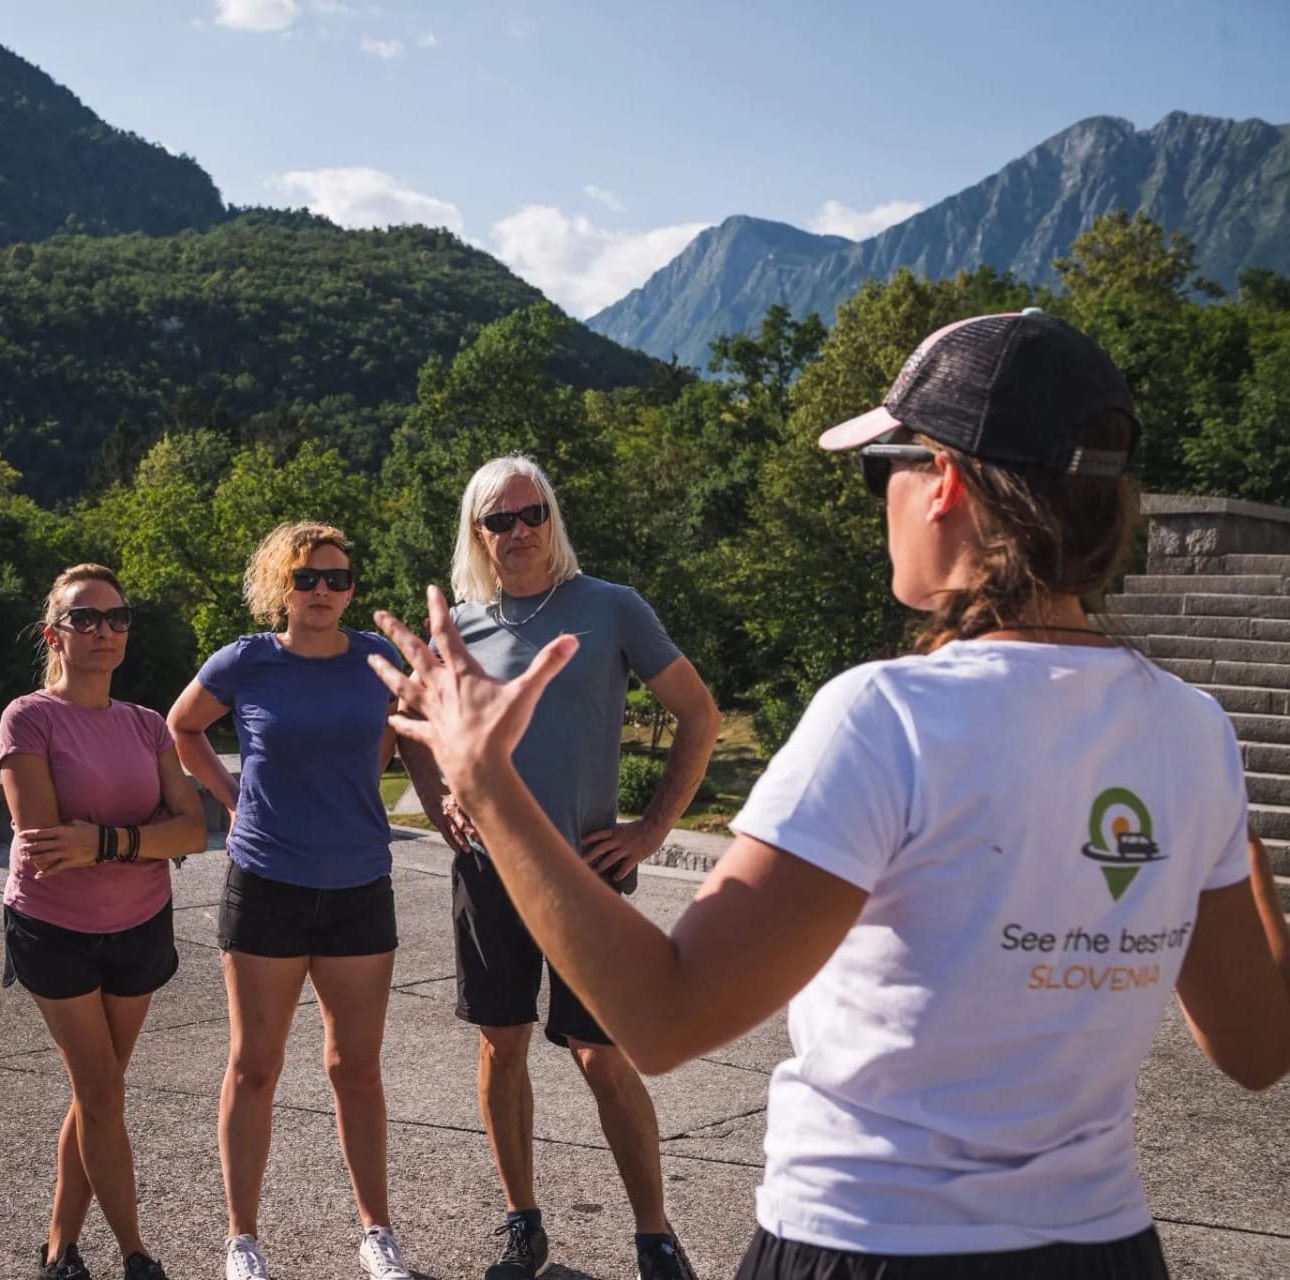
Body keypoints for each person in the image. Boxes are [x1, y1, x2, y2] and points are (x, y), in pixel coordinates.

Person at [370, 311, 1290, 1280]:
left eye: (880, 465)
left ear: (945, 481)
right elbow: (1257, 1046)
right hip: (1105, 1249)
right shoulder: (1192, 728)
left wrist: (485, 778)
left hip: (870, 1240)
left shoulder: (886, 712)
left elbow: (666, 1016)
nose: (876, 498)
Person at [394, 455, 719, 1280]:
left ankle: (655, 1237)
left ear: (552, 517)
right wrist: (443, 808)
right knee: (501, 1045)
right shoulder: (459, 627)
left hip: (583, 874)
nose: (519, 531)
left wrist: (651, 829)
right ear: (477, 532)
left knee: (600, 1052)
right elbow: (409, 727)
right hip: (486, 871)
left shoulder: (611, 608)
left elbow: (699, 714)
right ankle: (523, 1225)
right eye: (499, 520)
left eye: (531, 512)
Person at [168, 523, 414, 1280]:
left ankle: (376, 1232)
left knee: (357, 1069)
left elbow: (395, 741)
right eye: (307, 578)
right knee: (254, 1067)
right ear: (282, 585)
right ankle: (242, 1240)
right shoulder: (247, 660)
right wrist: (231, 798)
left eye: (338, 579)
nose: (323, 592)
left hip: (357, 885)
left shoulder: (379, 660)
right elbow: (183, 726)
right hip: (267, 883)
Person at [0, 564, 210, 1280]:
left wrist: (107, 841)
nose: (104, 632)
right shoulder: (28, 718)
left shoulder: (147, 724)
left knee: (100, 1092)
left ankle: (59, 1250)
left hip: (141, 924)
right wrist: (140, 836)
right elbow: (45, 845)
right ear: (54, 633)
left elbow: (193, 832)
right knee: (100, 1090)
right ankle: (136, 1253)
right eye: (85, 619)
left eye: (117, 618)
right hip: (54, 929)